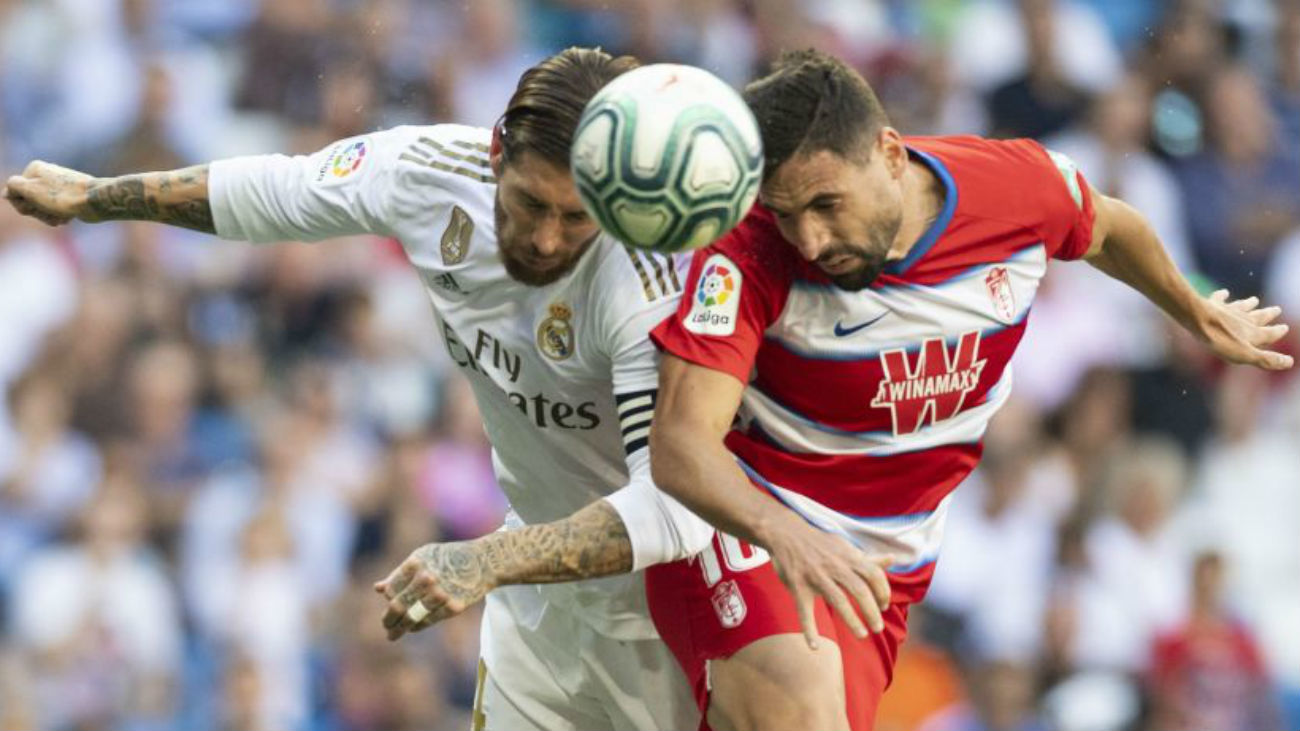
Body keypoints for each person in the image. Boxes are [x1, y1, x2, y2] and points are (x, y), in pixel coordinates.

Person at [3, 47, 713, 731]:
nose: (548, 240)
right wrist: (96, 198)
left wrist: (485, 559)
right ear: (497, 153)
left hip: (669, 610)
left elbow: (678, 502)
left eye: (576, 216)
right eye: (531, 203)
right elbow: (275, 191)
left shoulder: (648, 274)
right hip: (537, 602)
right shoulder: (431, 172)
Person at [645, 49, 1292, 731]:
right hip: (751, 522)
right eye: (785, 211)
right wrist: (784, 534)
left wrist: (1193, 311)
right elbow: (682, 444)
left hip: (877, 569)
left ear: (890, 154)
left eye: (826, 204)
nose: (807, 237)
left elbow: (1109, 227)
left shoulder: (1012, 189)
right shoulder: (746, 251)